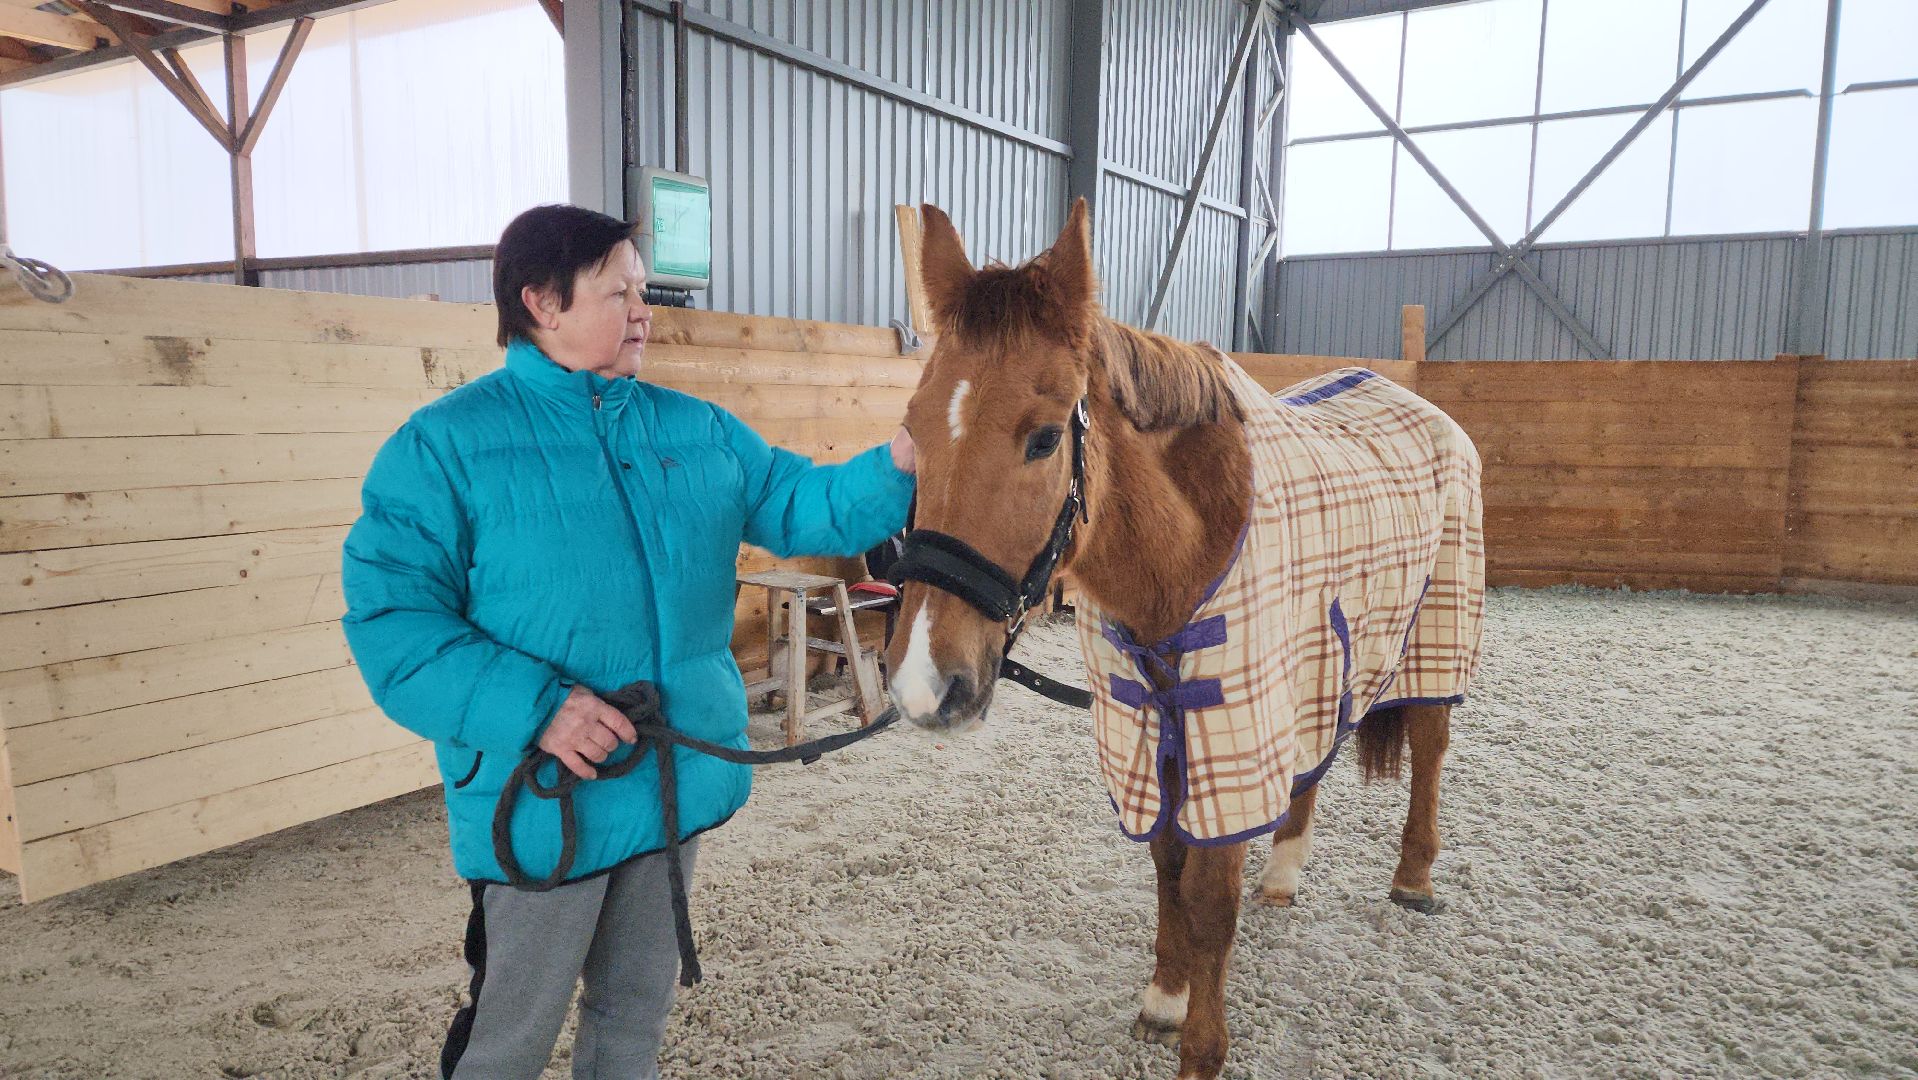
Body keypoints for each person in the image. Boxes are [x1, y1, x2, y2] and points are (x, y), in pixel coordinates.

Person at [340, 203, 915, 1079]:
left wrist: (905, 462)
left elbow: (806, 504)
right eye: (619, 292)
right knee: (511, 1038)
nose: (644, 310)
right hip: (545, 799)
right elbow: (396, 626)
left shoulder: (697, 430)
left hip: (672, 778)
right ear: (541, 303)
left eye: (644, 291)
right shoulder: (443, 449)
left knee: (632, 1018)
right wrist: (538, 710)